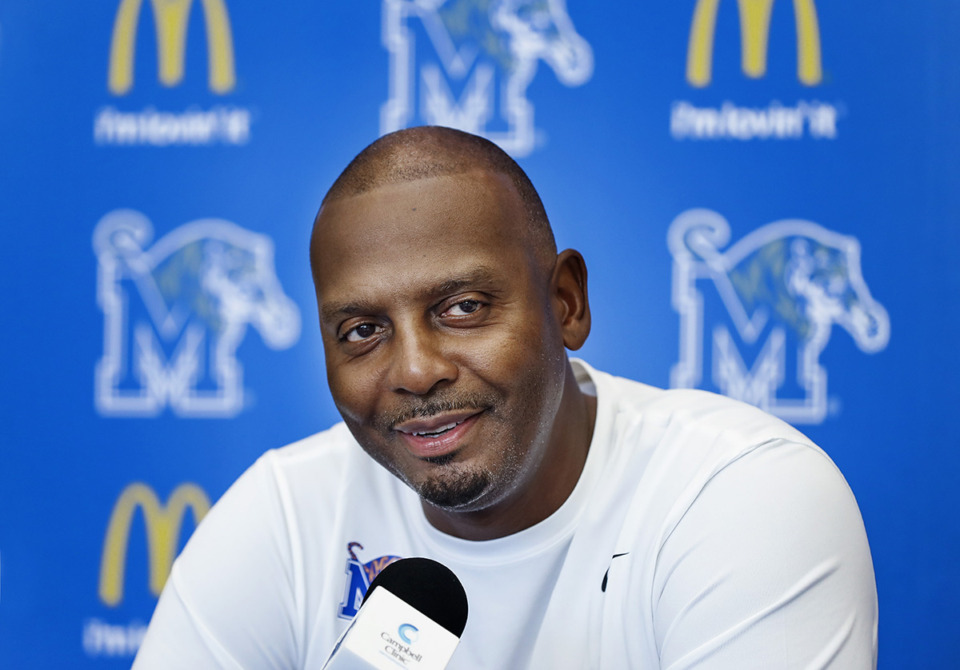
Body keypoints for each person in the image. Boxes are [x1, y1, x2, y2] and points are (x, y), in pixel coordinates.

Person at [134, 126, 878, 668]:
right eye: (363, 330)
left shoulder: (738, 493)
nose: (416, 372)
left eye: (461, 308)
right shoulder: (287, 515)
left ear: (565, 303)